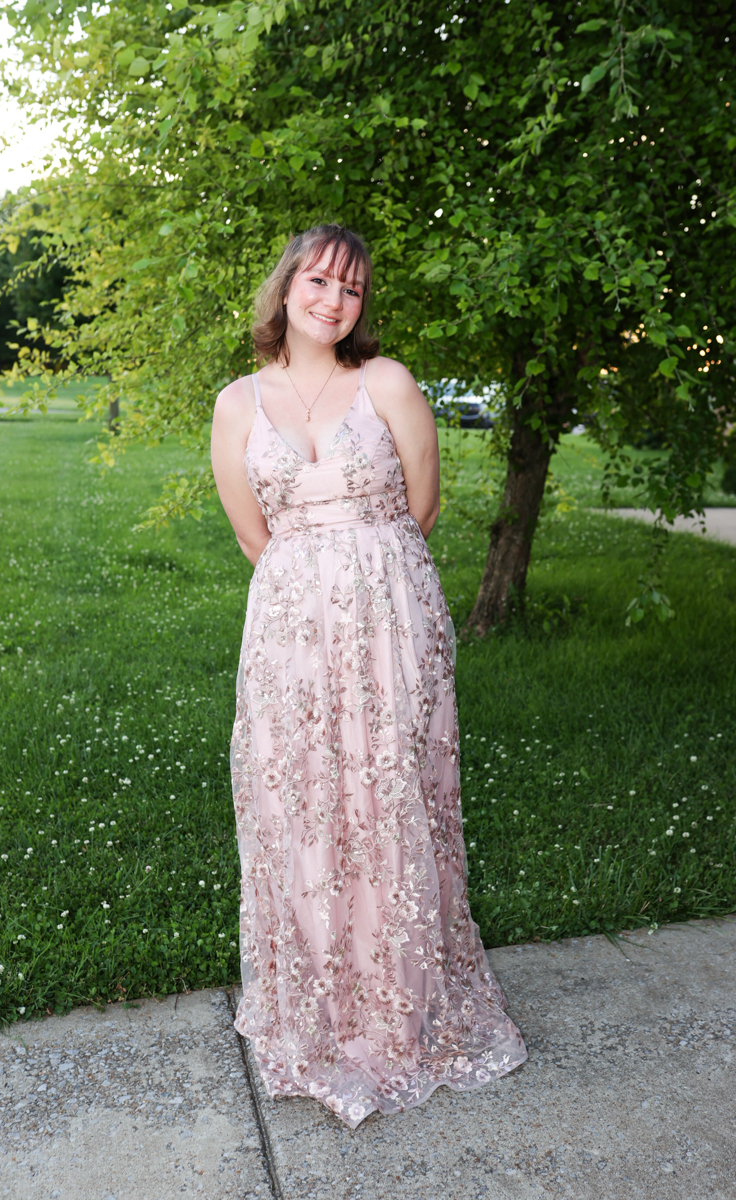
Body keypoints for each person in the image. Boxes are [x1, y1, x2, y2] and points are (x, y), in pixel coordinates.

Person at [210, 223, 527, 1129]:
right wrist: (315, 592)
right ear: (287, 288)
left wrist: (362, 586)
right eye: (319, 281)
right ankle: (320, 1004)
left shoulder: (386, 382)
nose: (334, 301)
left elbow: (421, 507)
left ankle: (398, 1003)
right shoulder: (237, 402)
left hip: (391, 623)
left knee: (388, 797)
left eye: (351, 289)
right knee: (301, 801)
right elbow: (253, 534)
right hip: (288, 632)